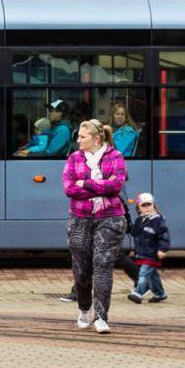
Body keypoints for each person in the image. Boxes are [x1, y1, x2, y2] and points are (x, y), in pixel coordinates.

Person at [62, 118, 128, 334]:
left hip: (110, 218)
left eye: (82, 137)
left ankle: (101, 317)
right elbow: (69, 189)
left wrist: (87, 183)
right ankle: (84, 308)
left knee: (102, 264)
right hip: (80, 218)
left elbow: (116, 185)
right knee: (81, 270)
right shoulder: (74, 158)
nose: (78, 140)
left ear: (96, 139)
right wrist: (101, 186)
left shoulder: (116, 157)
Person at [127, 193, 170, 303]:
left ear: (154, 206)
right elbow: (134, 233)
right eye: (143, 205)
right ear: (139, 208)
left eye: (149, 205)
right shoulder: (139, 220)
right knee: (153, 276)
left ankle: (138, 293)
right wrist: (126, 223)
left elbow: (164, 236)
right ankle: (160, 294)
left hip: (152, 254)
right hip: (141, 253)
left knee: (144, 274)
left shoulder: (158, 221)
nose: (147, 208)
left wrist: (163, 249)